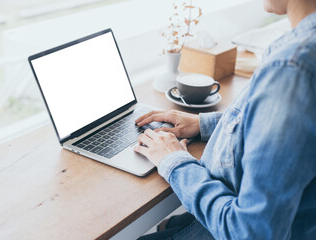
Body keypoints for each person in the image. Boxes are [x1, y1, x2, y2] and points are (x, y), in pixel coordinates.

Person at [134, 0, 316, 239]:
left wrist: (174, 161)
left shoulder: (292, 68)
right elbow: (294, 134)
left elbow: (251, 233)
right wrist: (203, 123)